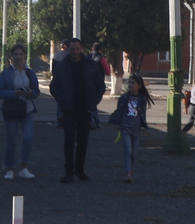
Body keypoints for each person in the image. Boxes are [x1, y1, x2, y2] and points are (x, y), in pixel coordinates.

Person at [49, 38, 106, 183]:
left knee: (83, 141)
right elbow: (54, 85)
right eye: (72, 49)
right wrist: (61, 99)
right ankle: (68, 172)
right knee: (69, 141)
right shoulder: (62, 66)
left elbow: (100, 85)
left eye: (77, 49)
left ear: (81, 49)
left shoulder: (90, 65)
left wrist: (95, 100)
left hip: (85, 109)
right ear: (68, 49)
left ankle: (80, 170)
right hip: (69, 109)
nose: (75, 52)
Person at [0, 43, 40, 180]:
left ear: (25, 56)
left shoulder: (30, 72)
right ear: (11, 56)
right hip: (12, 109)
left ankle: (24, 167)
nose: (19, 57)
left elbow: (37, 91)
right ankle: (9, 168)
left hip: (27, 108)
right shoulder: (6, 73)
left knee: (28, 137)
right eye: (16, 54)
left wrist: (31, 92)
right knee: (12, 140)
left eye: (21, 54)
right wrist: (14, 93)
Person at [109, 74, 153, 183]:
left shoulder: (141, 99)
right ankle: (128, 173)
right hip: (125, 127)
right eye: (129, 82)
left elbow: (142, 114)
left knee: (134, 153)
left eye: (133, 83)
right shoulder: (124, 97)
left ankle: (131, 170)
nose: (130, 85)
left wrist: (143, 125)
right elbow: (119, 110)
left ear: (139, 86)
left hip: (136, 129)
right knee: (127, 150)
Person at [90, 43, 112, 127]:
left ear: (92, 48)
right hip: (97, 83)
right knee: (93, 102)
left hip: (87, 82)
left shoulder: (87, 57)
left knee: (91, 102)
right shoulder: (101, 59)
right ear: (101, 50)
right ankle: (93, 121)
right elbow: (108, 72)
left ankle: (96, 121)